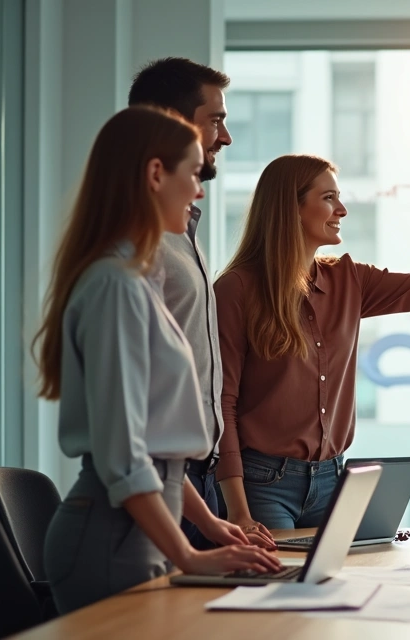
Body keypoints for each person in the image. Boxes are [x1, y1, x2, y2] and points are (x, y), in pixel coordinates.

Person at [34, 106, 281, 614]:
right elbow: (126, 457)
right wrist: (190, 555)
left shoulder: (133, 281)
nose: (199, 190)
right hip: (112, 538)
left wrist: (211, 527)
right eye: (192, 172)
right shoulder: (115, 286)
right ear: (154, 174)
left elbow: (154, 450)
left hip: (136, 530)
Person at [214, 142, 410, 532]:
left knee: (343, 585)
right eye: (328, 198)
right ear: (291, 208)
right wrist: (237, 510)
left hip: (334, 481)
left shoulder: (349, 279)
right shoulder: (236, 289)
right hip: (262, 485)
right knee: (279, 588)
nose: (342, 210)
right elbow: (221, 402)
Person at [127, 58, 275, 549]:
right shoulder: (135, 252)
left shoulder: (181, 238)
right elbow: (130, 438)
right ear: (174, 122)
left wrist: (214, 521)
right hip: (156, 490)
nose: (225, 137)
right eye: (216, 119)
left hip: (190, 484)